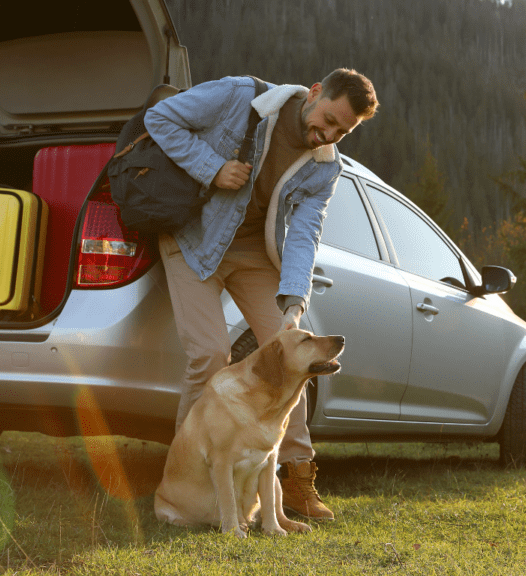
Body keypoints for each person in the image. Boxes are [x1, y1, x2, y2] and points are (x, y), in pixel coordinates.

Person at [144, 69, 378, 520]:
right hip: (195, 241)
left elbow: (304, 234)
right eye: (328, 118)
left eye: (342, 130)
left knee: (299, 357)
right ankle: (185, 479)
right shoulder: (238, 96)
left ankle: (294, 478)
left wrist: (293, 303)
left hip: (254, 255)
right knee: (210, 354)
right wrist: (211, 168)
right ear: (314, 93)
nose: (327, 133)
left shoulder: (326, 166)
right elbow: (161, 118)